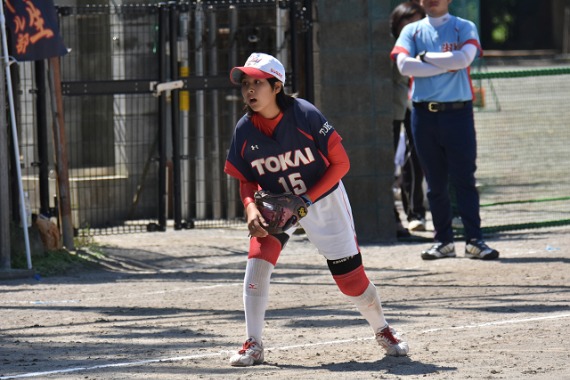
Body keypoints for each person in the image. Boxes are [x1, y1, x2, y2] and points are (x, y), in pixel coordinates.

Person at [224, 52, 409, 366]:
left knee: (350, 282)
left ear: (277, 86)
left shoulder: (304, 114)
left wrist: (305, 201)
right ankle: (253, 343)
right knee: (257, 265)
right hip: (275, 202)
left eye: (257, 82)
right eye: (245, 83)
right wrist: (250, 210)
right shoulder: (245, 129)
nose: (249, 89)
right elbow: (245, 179)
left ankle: (383, 329)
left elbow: (341, 164)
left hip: (322, 199)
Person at [390, 0, 499, 260]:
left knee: (464, 179)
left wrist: (425, 57)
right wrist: (448, 63)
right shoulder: (412, 31)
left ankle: (475, 240)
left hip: (458, 113)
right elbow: (404, 66)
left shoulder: (464, 26)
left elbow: (465, 59)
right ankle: (443, 241)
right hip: (423, 114)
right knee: (435, 182)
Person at [390, 1, 427, 234]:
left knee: (416, 159)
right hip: (392, 107)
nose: (412, 27)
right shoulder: (393, 44)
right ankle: (393, 216)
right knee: (388, 159)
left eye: (416, 21)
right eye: (407, 22)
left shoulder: (428, 40)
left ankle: (416, 213)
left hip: (417, 104)